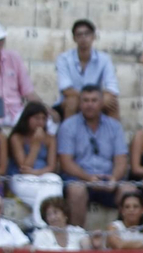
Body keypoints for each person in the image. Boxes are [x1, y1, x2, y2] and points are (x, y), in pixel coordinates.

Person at [57, 85, 132, 224]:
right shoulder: (68, 126)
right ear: (80, 103)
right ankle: (77, 237)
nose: (89, 105)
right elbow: (65, 162)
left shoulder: (114, 126)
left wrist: (114, 179)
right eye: (85, 100)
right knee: (76, 191)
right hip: (80, 179)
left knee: (129, 191)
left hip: (108, 179)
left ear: (101, 102)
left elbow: (121, 160)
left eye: (94, 100)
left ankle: (127, 238)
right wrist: (88, 178)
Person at [8, 103, 65, 223]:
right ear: (27, 118)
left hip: (43, 176)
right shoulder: (17, 137)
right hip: (21, 179)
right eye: (36, 118)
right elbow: (24, 167)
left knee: (55, 179)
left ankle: (38, 223)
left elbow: (52, 166)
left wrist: (36, 172)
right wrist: (36, 144)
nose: (40, 122)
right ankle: (46, 224)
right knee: (52, 192)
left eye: (44, 119)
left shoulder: (50, 138)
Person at [56, 19, 120, 120]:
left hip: (95, 98)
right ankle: (69, 135)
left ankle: (114, 135)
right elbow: (66, 89)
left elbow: (112, 88)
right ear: (74, 38)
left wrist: (93, 99)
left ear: (94, 36)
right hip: (74, 99)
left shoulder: (104, 59)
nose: (83, 38)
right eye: (79, 34)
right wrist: (87, 98)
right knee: (72, 101)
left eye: (87, 34)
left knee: (111, 102)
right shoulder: (63, 59)